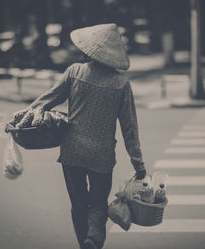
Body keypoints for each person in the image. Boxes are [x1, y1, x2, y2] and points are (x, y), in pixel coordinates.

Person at [13, 23, 146, 249]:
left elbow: (48, 99)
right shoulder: (121, 84)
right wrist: (138, 164)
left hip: (72, 150)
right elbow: (129, 128)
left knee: (78, 205)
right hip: (102, 156)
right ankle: (93, 238)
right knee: (98, 205)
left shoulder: (75, 71)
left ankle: (86, 241)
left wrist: (21, 118)